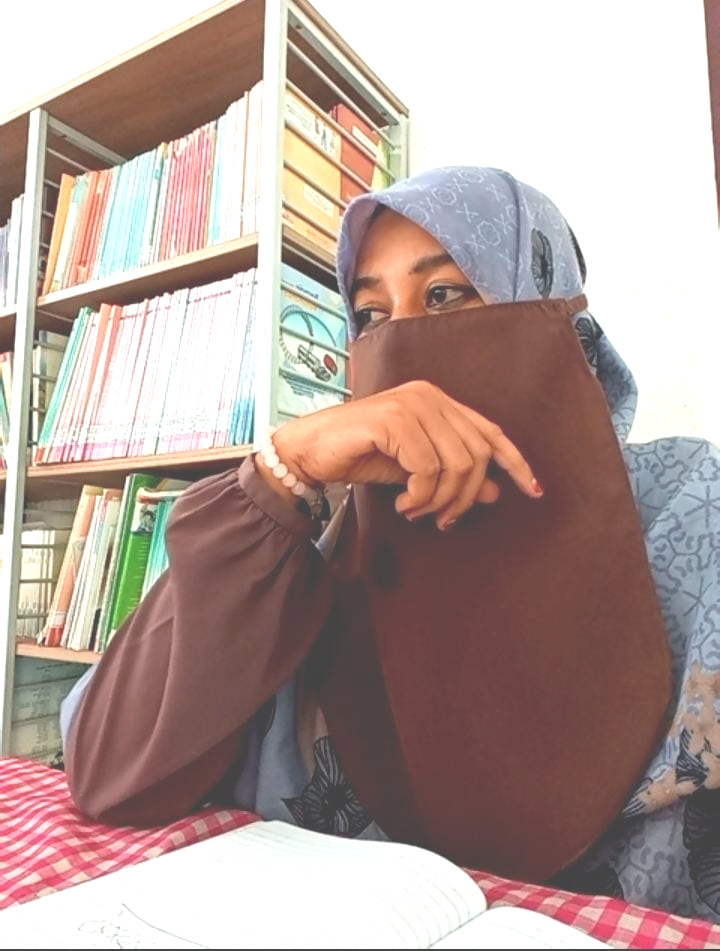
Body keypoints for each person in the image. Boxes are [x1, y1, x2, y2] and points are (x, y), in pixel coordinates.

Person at [60, 167, 720, 922]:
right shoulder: (310, 544)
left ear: (555, 320)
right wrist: (281, 472)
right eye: (371, 315)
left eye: (444, 297)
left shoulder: (688, 511)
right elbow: (108, 770)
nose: (402, 344)